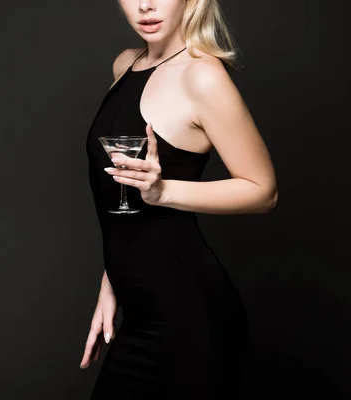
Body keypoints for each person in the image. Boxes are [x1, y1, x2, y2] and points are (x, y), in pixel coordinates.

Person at [81, 0, 278, 398]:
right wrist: (111, 280)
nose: (146, 5)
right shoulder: (124, 66)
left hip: (187, 316)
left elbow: (263, 190)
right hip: (139, 312)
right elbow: (121, 198)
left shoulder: (201, 75)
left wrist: (163, 190)